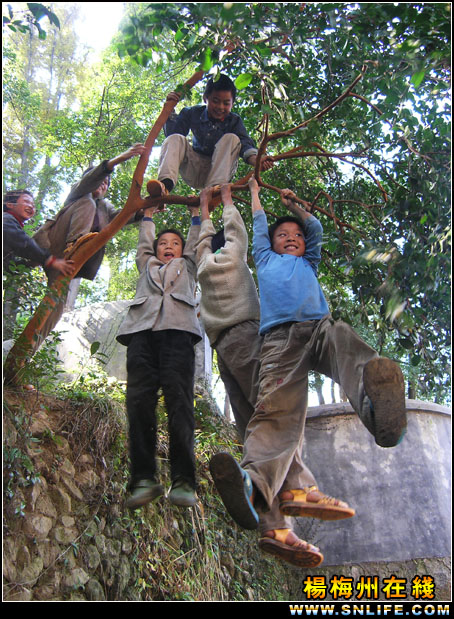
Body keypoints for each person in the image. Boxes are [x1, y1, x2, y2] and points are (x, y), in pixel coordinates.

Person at [210, 178, 407, 550]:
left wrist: (296, 203)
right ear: (270, 243)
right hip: (279, 343)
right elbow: (258, 225)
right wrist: (254, 194)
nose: (291, 238)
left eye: (296, 236)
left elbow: (315, 228)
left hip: (318, 328)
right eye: (282, 234)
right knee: (275, 414)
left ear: (304, 246)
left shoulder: (309, 261)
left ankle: (380, 415)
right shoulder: (265, 258)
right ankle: (252, 487)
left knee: (345, 340)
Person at [196, 184, 322, 568]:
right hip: (224, 347)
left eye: (222, 243)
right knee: (256, 427)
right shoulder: (202, 258)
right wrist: (202, 208)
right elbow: (202, 235)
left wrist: (229, 198)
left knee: (272, 418)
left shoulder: (234, 251)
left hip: (247, 335)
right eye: (211, 245)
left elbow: (235, 227)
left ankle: (295, 495)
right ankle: (276, 526)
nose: (216, 249)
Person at [116, 201, 202, 511]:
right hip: (142, 333)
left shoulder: (189, 265)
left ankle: (183, 480)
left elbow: (196, 242)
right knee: (138, 401)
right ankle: (143, 478)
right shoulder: (147, 265)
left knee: (179, 401)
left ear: (182, 250)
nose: (168, 247)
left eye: (174, 243)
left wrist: (196, 214)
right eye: (163, 243)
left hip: (178, 333)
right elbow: (143, 243)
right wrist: (148, 214)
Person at [29, 144, 146, 352]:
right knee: (89, 203)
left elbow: (123, 215)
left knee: (53, 309)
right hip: (55, 248)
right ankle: (77, 243)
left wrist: (148, 208)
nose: (103, 184)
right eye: (101, 180)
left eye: (107, 183)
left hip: (67, 265)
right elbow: (92, 179)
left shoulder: (104, 206)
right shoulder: (78, 194)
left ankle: (24, 356)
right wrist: (122, 157)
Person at [147, 74, 273, 198]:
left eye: (226, 103)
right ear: (205, 98)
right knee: (175, 138)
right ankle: (164, 187)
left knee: (232, 138)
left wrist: (257, 161)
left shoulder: (234, 121)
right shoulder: (192, 113)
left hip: (218, 172)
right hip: (193, 168)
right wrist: (169, 111)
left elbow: (245, 145)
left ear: (232, 103)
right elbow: (172, 137)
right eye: (216, 101)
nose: (220, 107)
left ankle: (215, 190)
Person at [3, 190, 75, 340]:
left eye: (33, 204)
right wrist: (49, 259)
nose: (31, 206)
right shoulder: (6, 220)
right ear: (10, 204)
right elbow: (23, 241)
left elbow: (8, 265)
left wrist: (27, 264)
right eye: (27, 202)